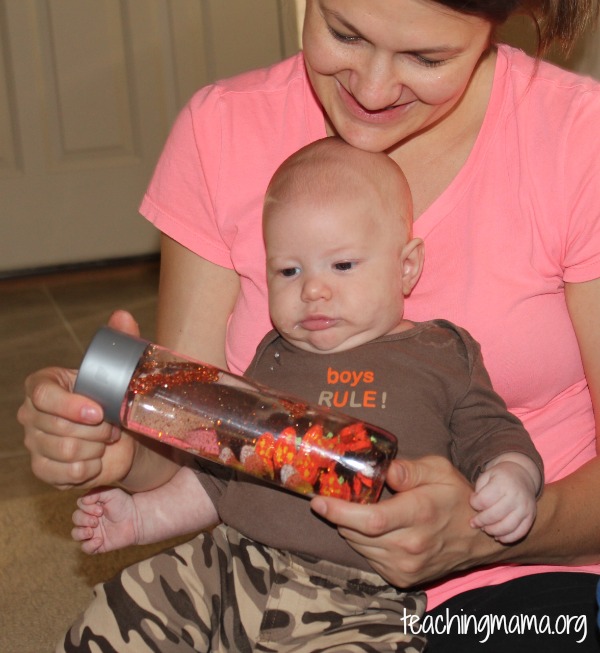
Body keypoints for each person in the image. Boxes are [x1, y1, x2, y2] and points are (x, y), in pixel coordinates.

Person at [17, 0, 600, 651]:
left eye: (426, 58)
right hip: (255, 559)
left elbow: (502, 447)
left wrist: (492, 524)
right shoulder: (223, 130)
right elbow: (204, 440)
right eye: (344, 32)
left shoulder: (579, 139)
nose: (373, 90)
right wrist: (121, 448)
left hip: (515, 579)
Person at [68, 139, 542, 652]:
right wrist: (144, 518)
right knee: (122, 612)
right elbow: (220, 473)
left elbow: (494, 434)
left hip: (361, 599)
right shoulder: (274, 355)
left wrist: (513, 477)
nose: (312, 290)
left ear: (406, 267)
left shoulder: (441, 354)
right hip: (228, 563)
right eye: (289, 271)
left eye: (341, 266)